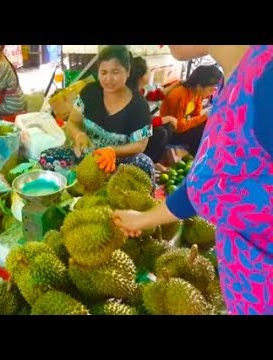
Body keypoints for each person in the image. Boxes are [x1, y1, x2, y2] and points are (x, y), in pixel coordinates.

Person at [113, 45, 273, 315]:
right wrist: (143, 218)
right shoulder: (231, 80)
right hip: (245, 293)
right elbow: (209, 184)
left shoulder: (267, 80)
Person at [40, 45, 155, 180]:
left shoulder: (139, 105)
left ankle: (103, 184)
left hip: (117, 162)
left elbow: (140, 145)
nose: (108, 79)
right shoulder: (89, 92)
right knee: (46, 158)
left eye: (115, 72)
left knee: (145, 165)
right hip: (86, 156)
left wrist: (112, 151)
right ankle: (83, 180)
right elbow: (72, 122)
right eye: (104, 72)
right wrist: (78, 135)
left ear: (128, 71)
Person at [160, 65, 223, 156]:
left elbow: (196, 115)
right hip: (171, 132)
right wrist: (205, 116)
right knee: (203, 127)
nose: (212, 93)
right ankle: (193, 155)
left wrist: (205, 117)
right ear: (199, 86)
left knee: (209, 123)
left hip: (182, 127)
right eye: (210, 89)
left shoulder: (196, 94)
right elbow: (178, 127)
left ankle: (195, 154)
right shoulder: (178, 96)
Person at [126, 55, 179, 163]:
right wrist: (165, 119)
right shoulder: (130, 95)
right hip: (128, 132)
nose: (150, 71)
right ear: (141, 76)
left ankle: (156, 160)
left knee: (166, 127)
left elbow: (156, 95)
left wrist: (177, 84)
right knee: (160, 132)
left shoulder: (139, 90)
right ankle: (146, 162)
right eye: (148, 70)